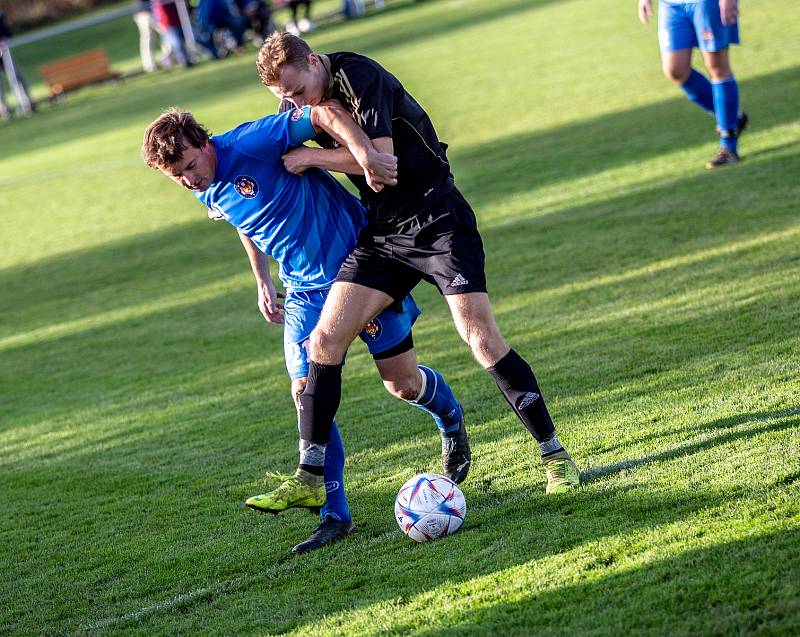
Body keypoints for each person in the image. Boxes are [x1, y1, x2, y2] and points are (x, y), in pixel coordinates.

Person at [253, 33, 580, 509]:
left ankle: (555, 457)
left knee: (481, 339)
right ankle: (309, 474)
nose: (295, 104)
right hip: (383, 234)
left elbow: (383, 166)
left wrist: (312, 156)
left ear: (313, 61)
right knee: (324, 342)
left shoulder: (357, 75)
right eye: (285, 98)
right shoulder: (300, 105)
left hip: (437, 219)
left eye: (298, 91)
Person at [141, 105, 470, 553]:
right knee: (306, 393)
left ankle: (450, 418)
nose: (188, 181)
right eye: (176, 177)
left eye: (190, 167)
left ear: (204, 143)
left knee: (403, 385)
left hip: (358, 273)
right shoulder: (206, 187)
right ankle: (335, 515)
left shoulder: (253, 142)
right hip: (301, 294)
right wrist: (261, 278)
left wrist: (331, 156)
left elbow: (322, 114)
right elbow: (244, 220)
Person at [638, 0, 747, 169]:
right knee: (675, 70)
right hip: (671, 4)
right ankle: (734, 117)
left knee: (717, 66)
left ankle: (728, 147)